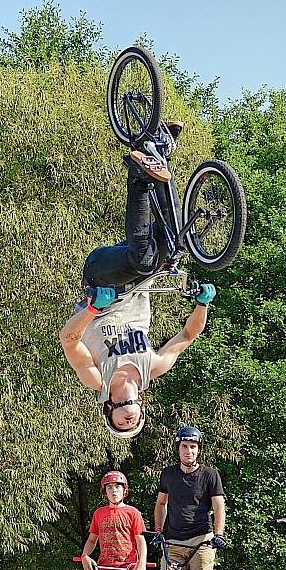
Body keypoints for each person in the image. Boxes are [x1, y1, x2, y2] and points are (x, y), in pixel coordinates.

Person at [59, 133, 217, 439]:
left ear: (110, 408)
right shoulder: (153, 368)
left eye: (121, 422)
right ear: (141, 409)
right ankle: (157, 145)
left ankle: (139, 177)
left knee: (143, 260)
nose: (128, 419)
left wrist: (92, 308)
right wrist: (202, 304)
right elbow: (188, 334)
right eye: (133, 422)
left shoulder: (96, 378)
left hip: (101, 279)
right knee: (178, 241)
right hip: (140, 281)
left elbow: (68, 339)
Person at [153, 426, 226, 570]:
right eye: (184, 446)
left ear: (198, 449)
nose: (188, 451)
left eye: (193, 447)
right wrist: (158, 531)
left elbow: (219, 506)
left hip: (201, 540)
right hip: (173, 542)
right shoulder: (168, 474)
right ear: (178, 448)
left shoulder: (210, 474)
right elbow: (161, 503)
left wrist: (219, 534)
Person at [81, 471, 147, 570]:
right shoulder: (99, 513)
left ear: (124, 490)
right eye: (109, 487)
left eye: (117, 486)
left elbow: (140, 540)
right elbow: (92, 540)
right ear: (105, 492)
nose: (114, 491)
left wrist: (142, 563)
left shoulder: (133, 513)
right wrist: (85, 555)